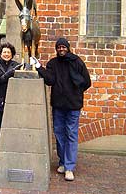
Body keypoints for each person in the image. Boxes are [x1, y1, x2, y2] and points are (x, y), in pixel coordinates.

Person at [30, 37, 91, 181]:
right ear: (56, 49)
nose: (61, 49)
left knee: (71, 134)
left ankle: (69, 167)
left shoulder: (77, 62)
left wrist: (76, 93)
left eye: (63, 47)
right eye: (59, 47)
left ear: (68, 48)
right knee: (59, 134)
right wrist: (39, 67)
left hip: (73, 106)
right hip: (58, 105)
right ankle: (63, 161)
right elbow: (50, 80)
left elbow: (87, 82)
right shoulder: (53, 63)